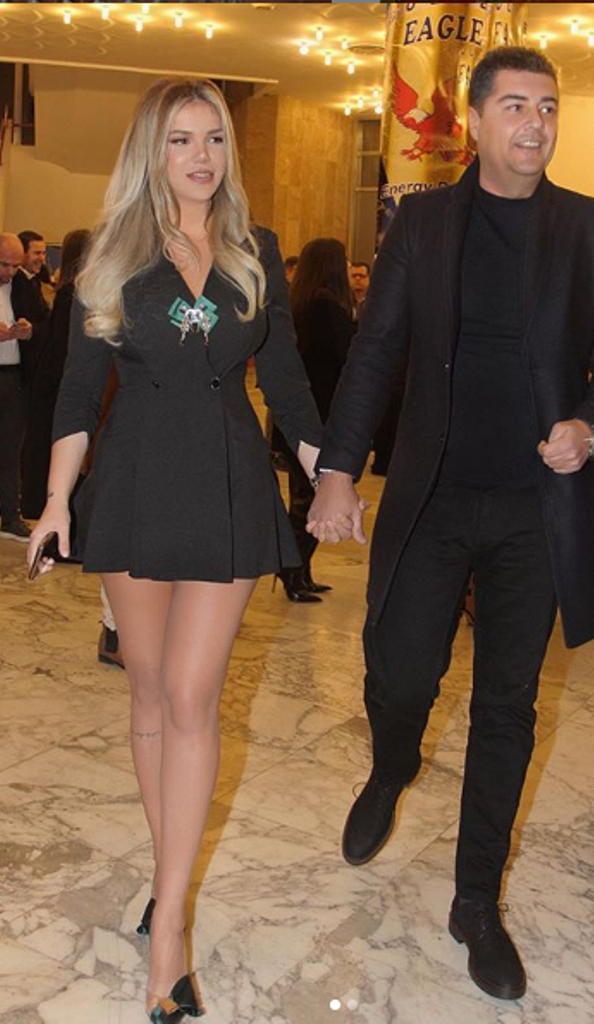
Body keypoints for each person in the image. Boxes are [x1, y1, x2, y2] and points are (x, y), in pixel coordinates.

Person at [307, 46, 594, 1002]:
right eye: (516, 106)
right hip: (434, 495)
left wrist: (591, 426)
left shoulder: (591, 228)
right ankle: (392, 765)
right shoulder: (422, 222)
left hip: (536, 509)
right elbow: (376, 353)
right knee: (399, 670)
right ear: (477, 118)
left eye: (548, 107)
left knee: (507, 705)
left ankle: (474, 903)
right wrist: (336, 473)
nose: (535, 124)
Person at [28, 77, 321, 1023]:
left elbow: (287, 383)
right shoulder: (110, 253)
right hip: (136, 481)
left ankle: (171, 926)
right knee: (150, 692)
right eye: (181, 140)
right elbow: (78, 394)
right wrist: (55, 501)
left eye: (215, 138)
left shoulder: (254, 251)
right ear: (150, 152)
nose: (202, 157)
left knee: (193, 697)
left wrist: (330, 473)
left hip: (230, 482)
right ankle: (168, 881)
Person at [273, 237, 355, 601]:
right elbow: (348, 356)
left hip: (296, 416)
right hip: (318, 417)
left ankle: (299, 571)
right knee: (310, 498)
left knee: (302, 496)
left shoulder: (298, 304)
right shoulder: (327, 307)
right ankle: (293, 570)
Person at [22, 229, 90, 519]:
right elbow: (62, 345)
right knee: (45, 443)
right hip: (55, 380)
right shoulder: (71, 294)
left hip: (54, 377)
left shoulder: (70, 291)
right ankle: (38, 503)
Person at [0, 232, 39, 541]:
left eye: (15, 266)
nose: (9, 272)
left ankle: (11, 515)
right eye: (3, 265)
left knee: (12, 449)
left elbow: (44, 321)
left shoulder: (24, 286)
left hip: (14, 377)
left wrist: (29, 330)